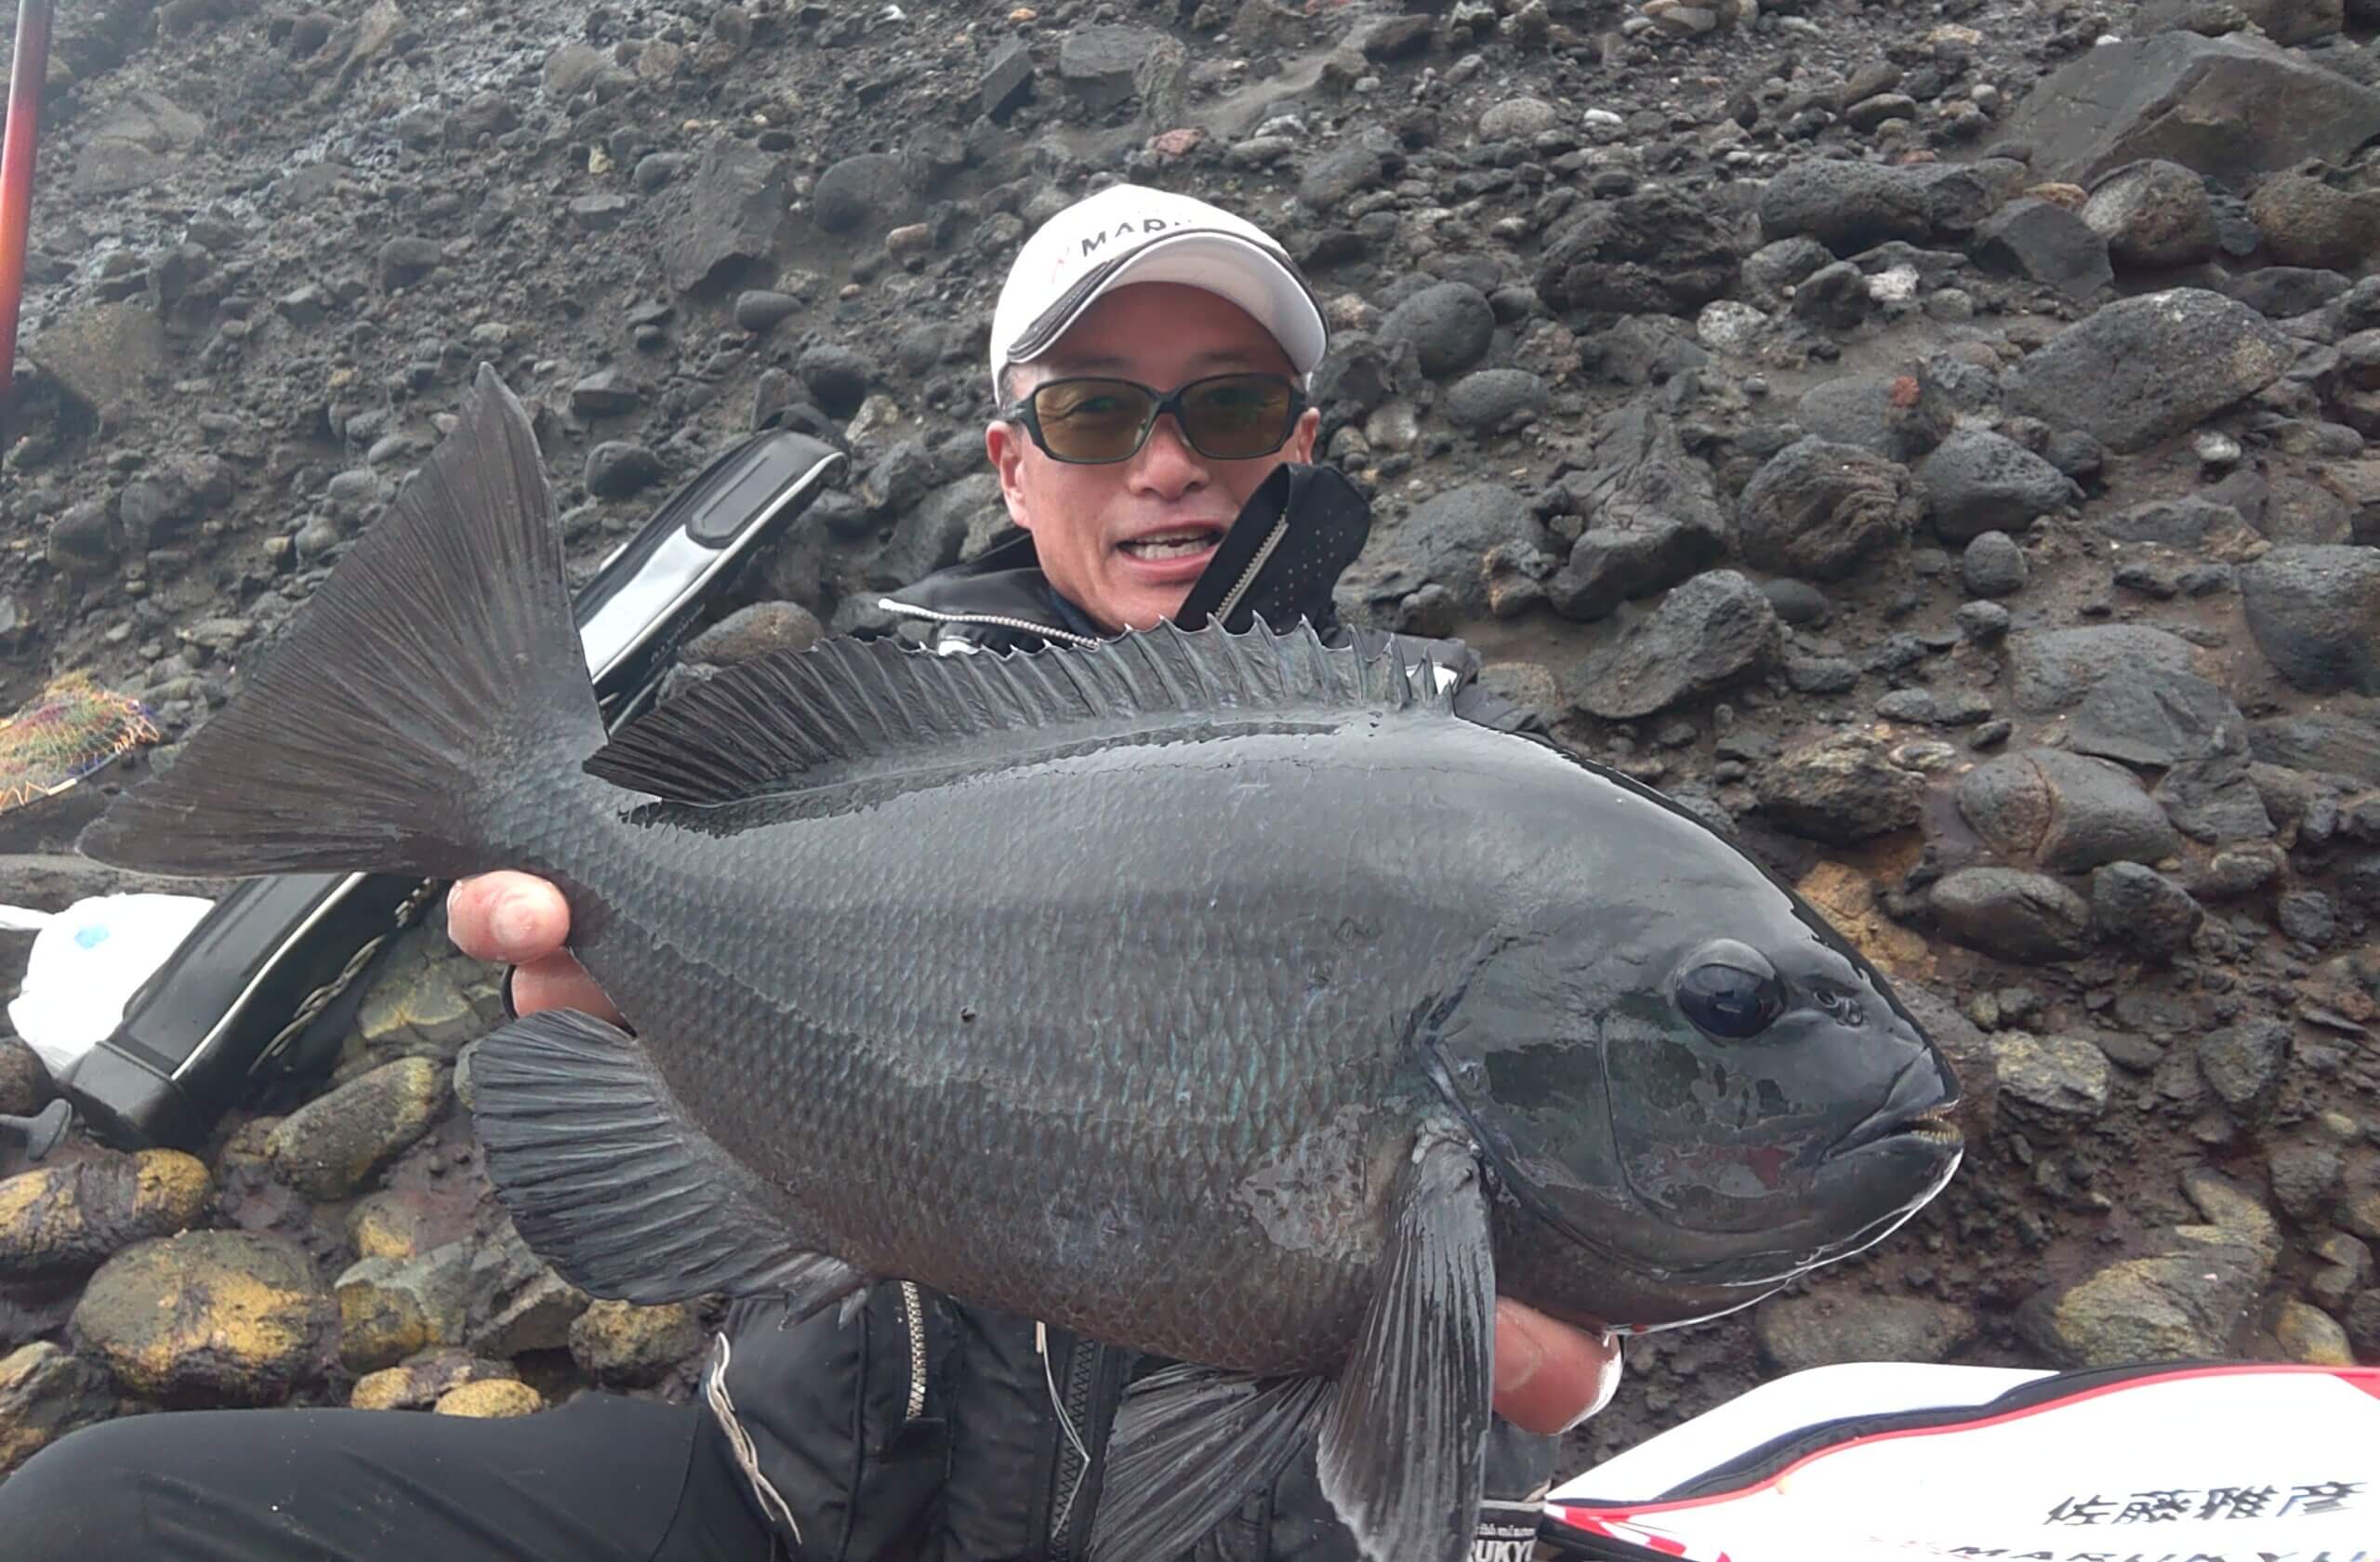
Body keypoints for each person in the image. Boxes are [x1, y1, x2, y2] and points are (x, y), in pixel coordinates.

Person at [2, 184, 1618, 1562]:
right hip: (808, 1504)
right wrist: (644, 1024)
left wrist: (1585, 1359)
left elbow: (1597, 1284)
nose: (1169, 461)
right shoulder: (867, 733)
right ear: (1010, 462)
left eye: (1234, 407)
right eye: (1098, 411)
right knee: (92, 1515)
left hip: (1278, 1528)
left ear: (1302, 442)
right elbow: (654, 1122)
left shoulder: (1475, 783)